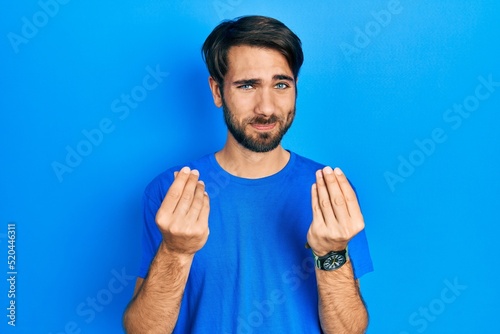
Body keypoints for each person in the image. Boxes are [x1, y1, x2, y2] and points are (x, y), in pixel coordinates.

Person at [123, 15, 373, 333]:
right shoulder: (171, 192)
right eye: (247, 85)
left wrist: (331, 253)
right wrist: (176, 251)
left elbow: (349, 331)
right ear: (217, 91)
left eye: (281, 84)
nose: (266, 107)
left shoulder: (330, 191)